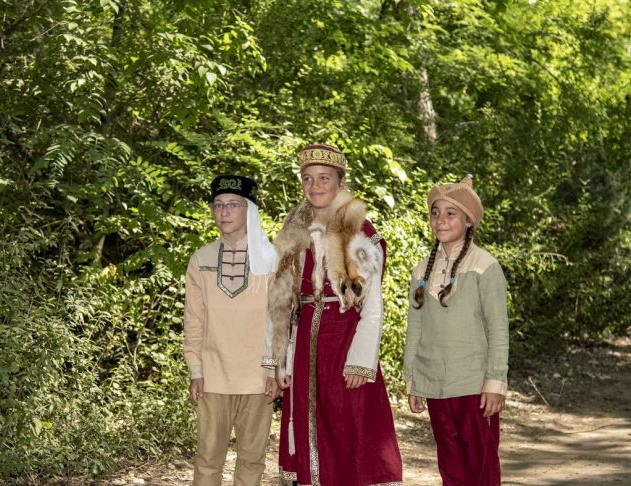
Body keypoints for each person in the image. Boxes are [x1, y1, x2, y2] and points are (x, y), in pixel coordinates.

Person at [262, 144, 403, 486]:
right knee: (310, 441)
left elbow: (373, 307)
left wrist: (360, 362)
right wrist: (277, 362)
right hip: (303, 348)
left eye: (324, 178)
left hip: (344, 346)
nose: (315, 186)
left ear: (341, 182)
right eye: (307, 178)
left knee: (348, 435)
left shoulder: (361, 233)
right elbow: (279, 304)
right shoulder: (292, 234)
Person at [403, 176, 509, 486]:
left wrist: (495, 382)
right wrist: (413, 380)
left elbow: (498, 328)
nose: (441, 220)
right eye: (435, 212)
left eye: (451, 213)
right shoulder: (422, 270)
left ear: (469, 220)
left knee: (480, 465)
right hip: (435, 382)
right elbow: (416, 326)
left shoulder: (484, 266)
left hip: (474, 385)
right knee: (450, 466)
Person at [183, 175, 280, 486]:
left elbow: (279, 320)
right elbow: (194, 319)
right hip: (213, 376)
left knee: (252, 461)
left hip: (258, 378)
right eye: (218, 205)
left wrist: (273, 369)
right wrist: (196, 370)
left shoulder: (272, 259)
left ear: (250, 210)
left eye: (233, 205)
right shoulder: (201, 260)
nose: (224, 212)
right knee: (207, 460)